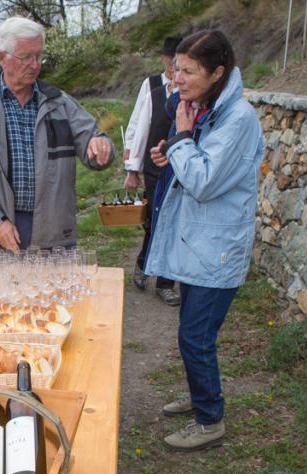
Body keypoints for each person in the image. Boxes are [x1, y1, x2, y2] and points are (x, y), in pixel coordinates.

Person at [143, 30, 264, 451]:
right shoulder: (206, 109)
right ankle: (201, 398)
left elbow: (205, 180)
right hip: (200, 243)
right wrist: (173, 152)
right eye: (176, 69)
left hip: (218, 248)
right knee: (191, 333)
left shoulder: (238, 119)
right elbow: (197, 162)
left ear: (217, 72)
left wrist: (180, 140)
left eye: (189, 71)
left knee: (195, 337)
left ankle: (210, 420)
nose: (177, 78)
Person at [0, 17, 114, 251]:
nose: (35, 65)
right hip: (1, 239)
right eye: (26, 57)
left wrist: (101, 146)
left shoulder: (61, 104)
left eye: (39, 56)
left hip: (55, 237)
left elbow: (91, 138)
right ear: (2, 57)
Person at [124, 36, 181, 306]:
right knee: (154, 221)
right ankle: (143, 264)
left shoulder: (193, 95)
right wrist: (132, 169)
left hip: (180, 169)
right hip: (154, 169)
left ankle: (165, 284)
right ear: (164, 59)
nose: (174, 65)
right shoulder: (153, 91)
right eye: (171, 60)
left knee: (174, 224)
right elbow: (139, 127)